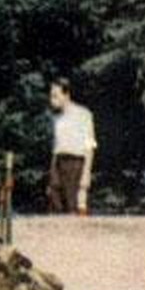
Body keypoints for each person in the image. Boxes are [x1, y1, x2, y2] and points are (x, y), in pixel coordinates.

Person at [47, 77, 96, 215]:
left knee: (73, 207)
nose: (52, 100)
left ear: (66, 95)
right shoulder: (56, 119)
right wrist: (52, 172)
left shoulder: (83, 114)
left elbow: (90, 145)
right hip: (58, 163)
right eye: (51, 96)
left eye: (55, 96)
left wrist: (86, 173)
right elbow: (56, 146)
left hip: (75, 164)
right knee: (55, 205)